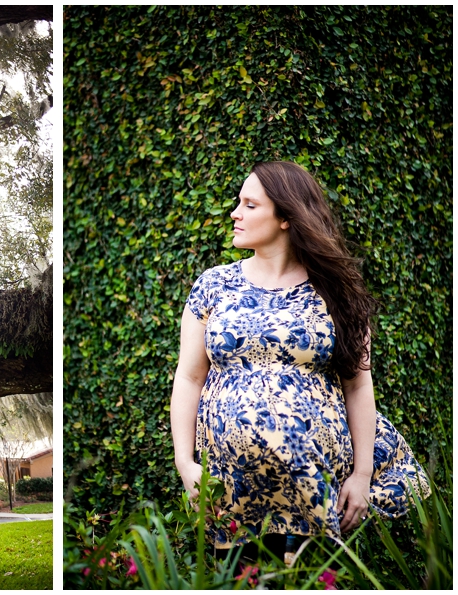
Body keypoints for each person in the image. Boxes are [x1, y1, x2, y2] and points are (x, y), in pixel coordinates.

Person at [170, 161, 430, 561]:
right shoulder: (213, 285)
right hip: (233, 489)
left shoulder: (336, 292)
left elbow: (358, 384)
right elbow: (189, 378)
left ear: (286, 217)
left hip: (316, 485)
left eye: (249, 205)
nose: (234, 214)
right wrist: (185, 462)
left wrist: (362, 476)